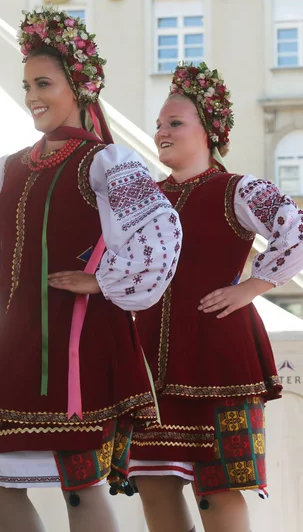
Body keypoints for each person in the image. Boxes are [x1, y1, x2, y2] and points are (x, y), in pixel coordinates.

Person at [0, 6, 182, 532]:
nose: (32, 95)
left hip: (76, 344)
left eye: (44, 83)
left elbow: (159, 234)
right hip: (14, 341)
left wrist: (104, 280)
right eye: (27, 84)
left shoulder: (107, 162)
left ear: (78, 86)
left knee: (78, 485)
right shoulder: (8, 166)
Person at [129, 62, 303, 532]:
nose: (161, 131)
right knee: (153, 482)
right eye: (160, 123)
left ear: (208, 132)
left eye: (175, 123)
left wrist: (250, 287)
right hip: (150, 363)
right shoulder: (145, 198)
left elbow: (297, 229)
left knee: (217, 487)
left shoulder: (238, 190)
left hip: (219, 358)